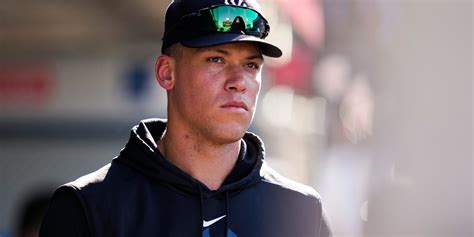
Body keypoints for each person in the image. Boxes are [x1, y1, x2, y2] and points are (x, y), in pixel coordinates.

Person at [39, 0, 332, 236]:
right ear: (167, 73)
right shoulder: (89, 207)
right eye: (216, 59)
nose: (239, 81)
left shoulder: (301, 210)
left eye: (251, 65)